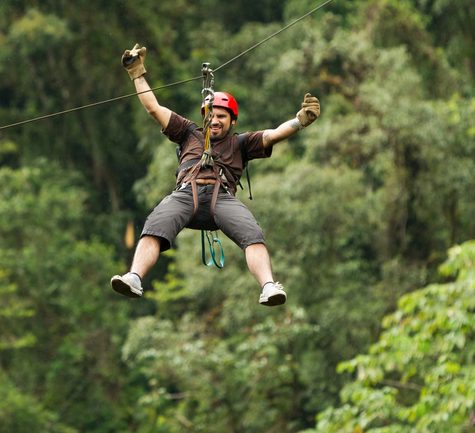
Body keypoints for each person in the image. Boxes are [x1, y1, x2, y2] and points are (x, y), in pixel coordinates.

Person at [110, 44, 320, 306]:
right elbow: (153, 108)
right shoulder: (188, 133)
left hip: (222, 199)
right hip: (187, 194)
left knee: (252, 234)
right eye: (211, 115)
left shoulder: (241, 143)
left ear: (232, 121)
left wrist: (300, 121)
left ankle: (268, 286)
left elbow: (274, 133)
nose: (216, 120)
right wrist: (136, 72)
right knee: (155, 226)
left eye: (222, 116)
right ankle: (135, 277)